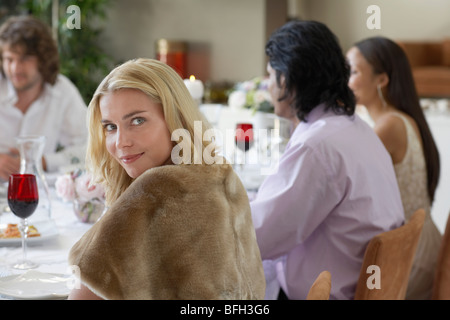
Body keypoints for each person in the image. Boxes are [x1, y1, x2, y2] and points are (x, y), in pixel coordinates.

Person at [67, 58, 265, 300]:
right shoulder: (222, 177)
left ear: (176, 120)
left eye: (137, 121)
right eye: (110, 127)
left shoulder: (155, 193)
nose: (120, 142)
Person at [249, 20, 405, 300]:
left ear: (290, 79)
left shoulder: (318, 146)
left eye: (271, 74)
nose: (267, 84)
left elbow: (258, 238)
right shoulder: (354, 127)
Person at [346, 36, 442, 300]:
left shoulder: (388, 126)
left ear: (382, 79)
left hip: (411, 260)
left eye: (352, 72)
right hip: (422, 245)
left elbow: (347, 180)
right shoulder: (400, 119)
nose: (345, 81)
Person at [0, 15, 87, 180]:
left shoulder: (62, 91)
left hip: (37, 193)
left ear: (43, 59)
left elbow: (89, 149)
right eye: (9, 59)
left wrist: (42, 162)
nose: (15, 68)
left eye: (24, 59)